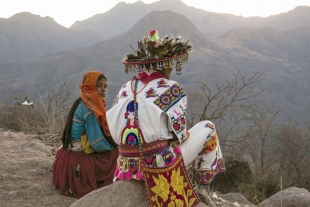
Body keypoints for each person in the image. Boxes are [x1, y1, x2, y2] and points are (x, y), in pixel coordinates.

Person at [106, 30, 226, 206]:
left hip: (126, 164)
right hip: (157, 162)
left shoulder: (125, 88)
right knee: (208, 128)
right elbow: (180, 136)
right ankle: (203, 188)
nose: (171, 69)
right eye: (170, 65)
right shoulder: (171, 89)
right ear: (163, 65)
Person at [52, 71, 118, 198]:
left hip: (67, 154)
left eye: (105, 86)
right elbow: (97, 143)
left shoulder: (84, 102)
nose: (103, 89)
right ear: (90, 87)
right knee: (117, 151)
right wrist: (114, 145)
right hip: (78, 157)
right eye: (99, 85)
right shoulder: (89, 108)